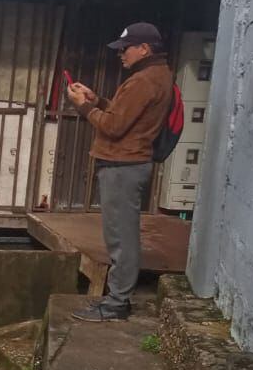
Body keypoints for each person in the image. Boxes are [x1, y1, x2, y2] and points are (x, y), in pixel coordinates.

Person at [64, 22, 175, 322]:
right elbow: (124, 115)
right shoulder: (156, 76)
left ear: (144, 49)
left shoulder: (142, 81)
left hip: (123, 165)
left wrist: (83, 108)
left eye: (125, 49)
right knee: (121, 234)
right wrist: (96, 100)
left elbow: (113, 127)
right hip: (130, 162)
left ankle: (116, 304)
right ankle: (117, 299)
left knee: (121, 237)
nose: (121, 55)